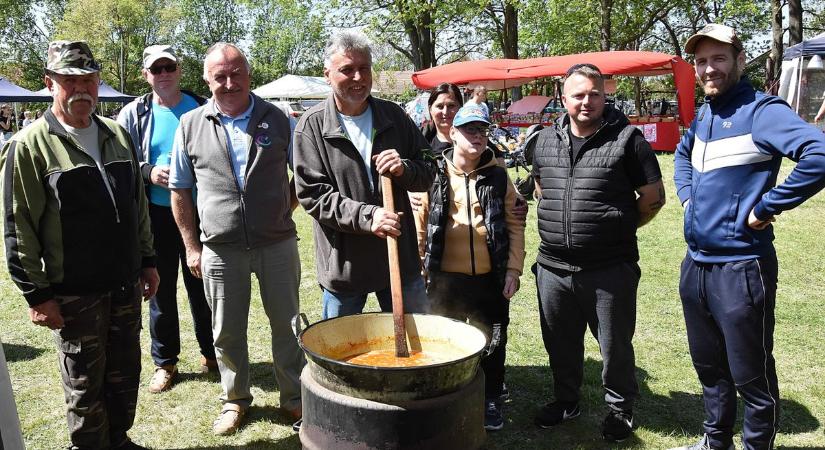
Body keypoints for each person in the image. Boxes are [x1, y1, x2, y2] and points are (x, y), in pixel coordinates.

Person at [671, 24, 825, 450]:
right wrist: (687, 198)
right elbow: (683, 156)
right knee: (710, 368)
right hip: (696, 265)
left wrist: (766, 207)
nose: (709, 68)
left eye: (719, 58)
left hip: (741, 267)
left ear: (740, 59)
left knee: (751, 376)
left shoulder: (763, 111)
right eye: (701, 61)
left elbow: (820, 155)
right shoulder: (704, 114)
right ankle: (714, 442)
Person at [0, 40, 158, 450]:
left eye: (88, 79)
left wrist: (147, 260)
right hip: (74, 291)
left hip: (124, 283)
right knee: (85, 383)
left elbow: (137, 205)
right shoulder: (28, 146)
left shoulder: (117, 135)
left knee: (125, 373)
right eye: (70, 80)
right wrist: (37, 295)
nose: (81, 89)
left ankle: (119, 440)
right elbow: (19, 227)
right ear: (50, 83)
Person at [168, 42, 304, 435]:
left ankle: (293, 397)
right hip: (221, 249)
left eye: (236, 74)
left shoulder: (278, 118)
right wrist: (192, 246)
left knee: (288, 324)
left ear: (248, 74)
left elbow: (302, 174)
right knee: (226, 331)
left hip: (276, 243)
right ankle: (234, 400)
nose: (229, 83)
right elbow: (180, 189)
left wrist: (281, 209)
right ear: (207, 80)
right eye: (220, 76)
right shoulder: (191, 124)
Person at [530, 63, 665, 442]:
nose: (587, 101)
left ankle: (620, 409)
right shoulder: (543, 141)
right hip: (553, 268)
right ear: (563, 97)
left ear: (605, 96)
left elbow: (653, 198)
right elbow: (542, 187)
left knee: (615, 346)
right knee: (559, 341)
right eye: (579, 94)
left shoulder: (628, 139)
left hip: (609, 268)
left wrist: (617, 227)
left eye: (595, 93)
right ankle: (566, 400)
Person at [293, 30, 436, 319]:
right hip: (345, 264)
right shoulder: (312, 126)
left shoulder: (393, 116)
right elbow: (313, 196)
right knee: (341, 352)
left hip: (398, 256)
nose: (358, 78)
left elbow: (429, 166)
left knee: (415, 344)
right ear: (327, 74)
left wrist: (405, 169)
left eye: (364, 69)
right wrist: (369, 217)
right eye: (347, 70)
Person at [413, 103, 525, 431]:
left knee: (492, 341)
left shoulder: (499, 175)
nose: (477, 137)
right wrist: (420, 265)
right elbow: (421, 223)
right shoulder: (433, 171)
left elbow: (515, 225)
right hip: (443, 277)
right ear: (453, 133)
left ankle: (490, 398)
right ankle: (444, 397)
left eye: (482, 130)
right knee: (442, 340)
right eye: (470, 130)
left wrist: (513, 271)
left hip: (490, 278)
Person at [117, 44, 214, 394]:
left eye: (169, 67)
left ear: (179, 70)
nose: (163, 74)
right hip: (153, 214)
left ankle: (212, 353)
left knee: (203, 286)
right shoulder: (133, 113)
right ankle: (165, 362)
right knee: (159, 290)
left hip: (198, 213)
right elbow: (120, 161)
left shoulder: (204, 106)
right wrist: (148, 171)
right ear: (146, 75)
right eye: (156, 69)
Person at [423, 82, 463, 156]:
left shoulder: (475, 140)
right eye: (440, 106)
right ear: (430, 109)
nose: (445, 112)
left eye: (451, 105)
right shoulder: (419, 143)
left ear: (460, 108)